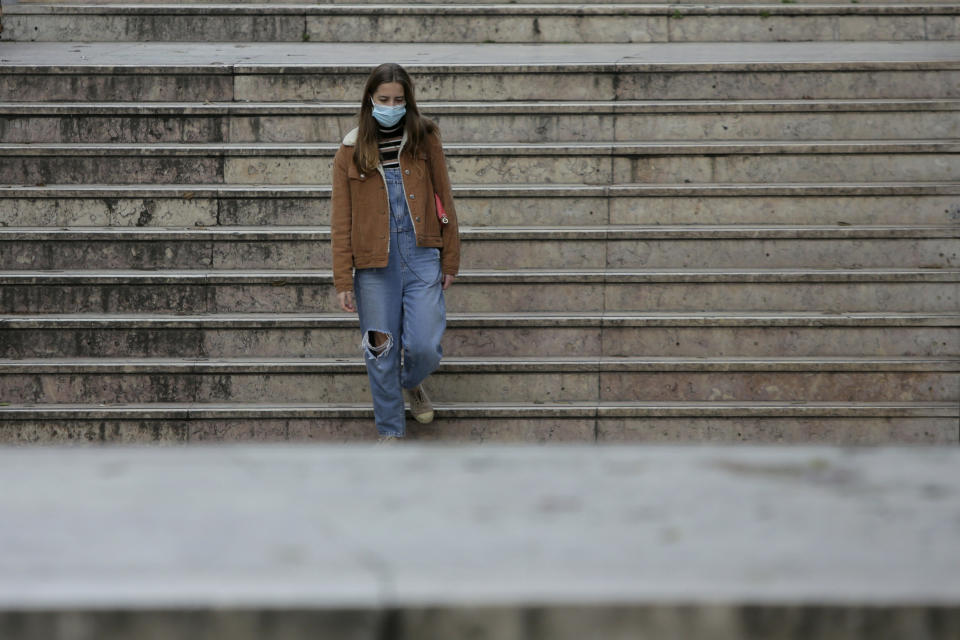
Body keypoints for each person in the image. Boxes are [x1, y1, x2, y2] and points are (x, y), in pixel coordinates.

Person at [331, 63, 460, 444]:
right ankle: (390, 432)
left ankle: (412, 381)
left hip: (421, 256)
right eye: (384, 99)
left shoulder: (425, 137)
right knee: (380, 350)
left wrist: (449, 257)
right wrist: (343, 278)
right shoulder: (350, 151)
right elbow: (341, 219)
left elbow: (445, 198)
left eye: (399, 100)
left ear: (409, 101)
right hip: (373, 267)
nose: (391, 105)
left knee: (423, 344)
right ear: (370, 99)